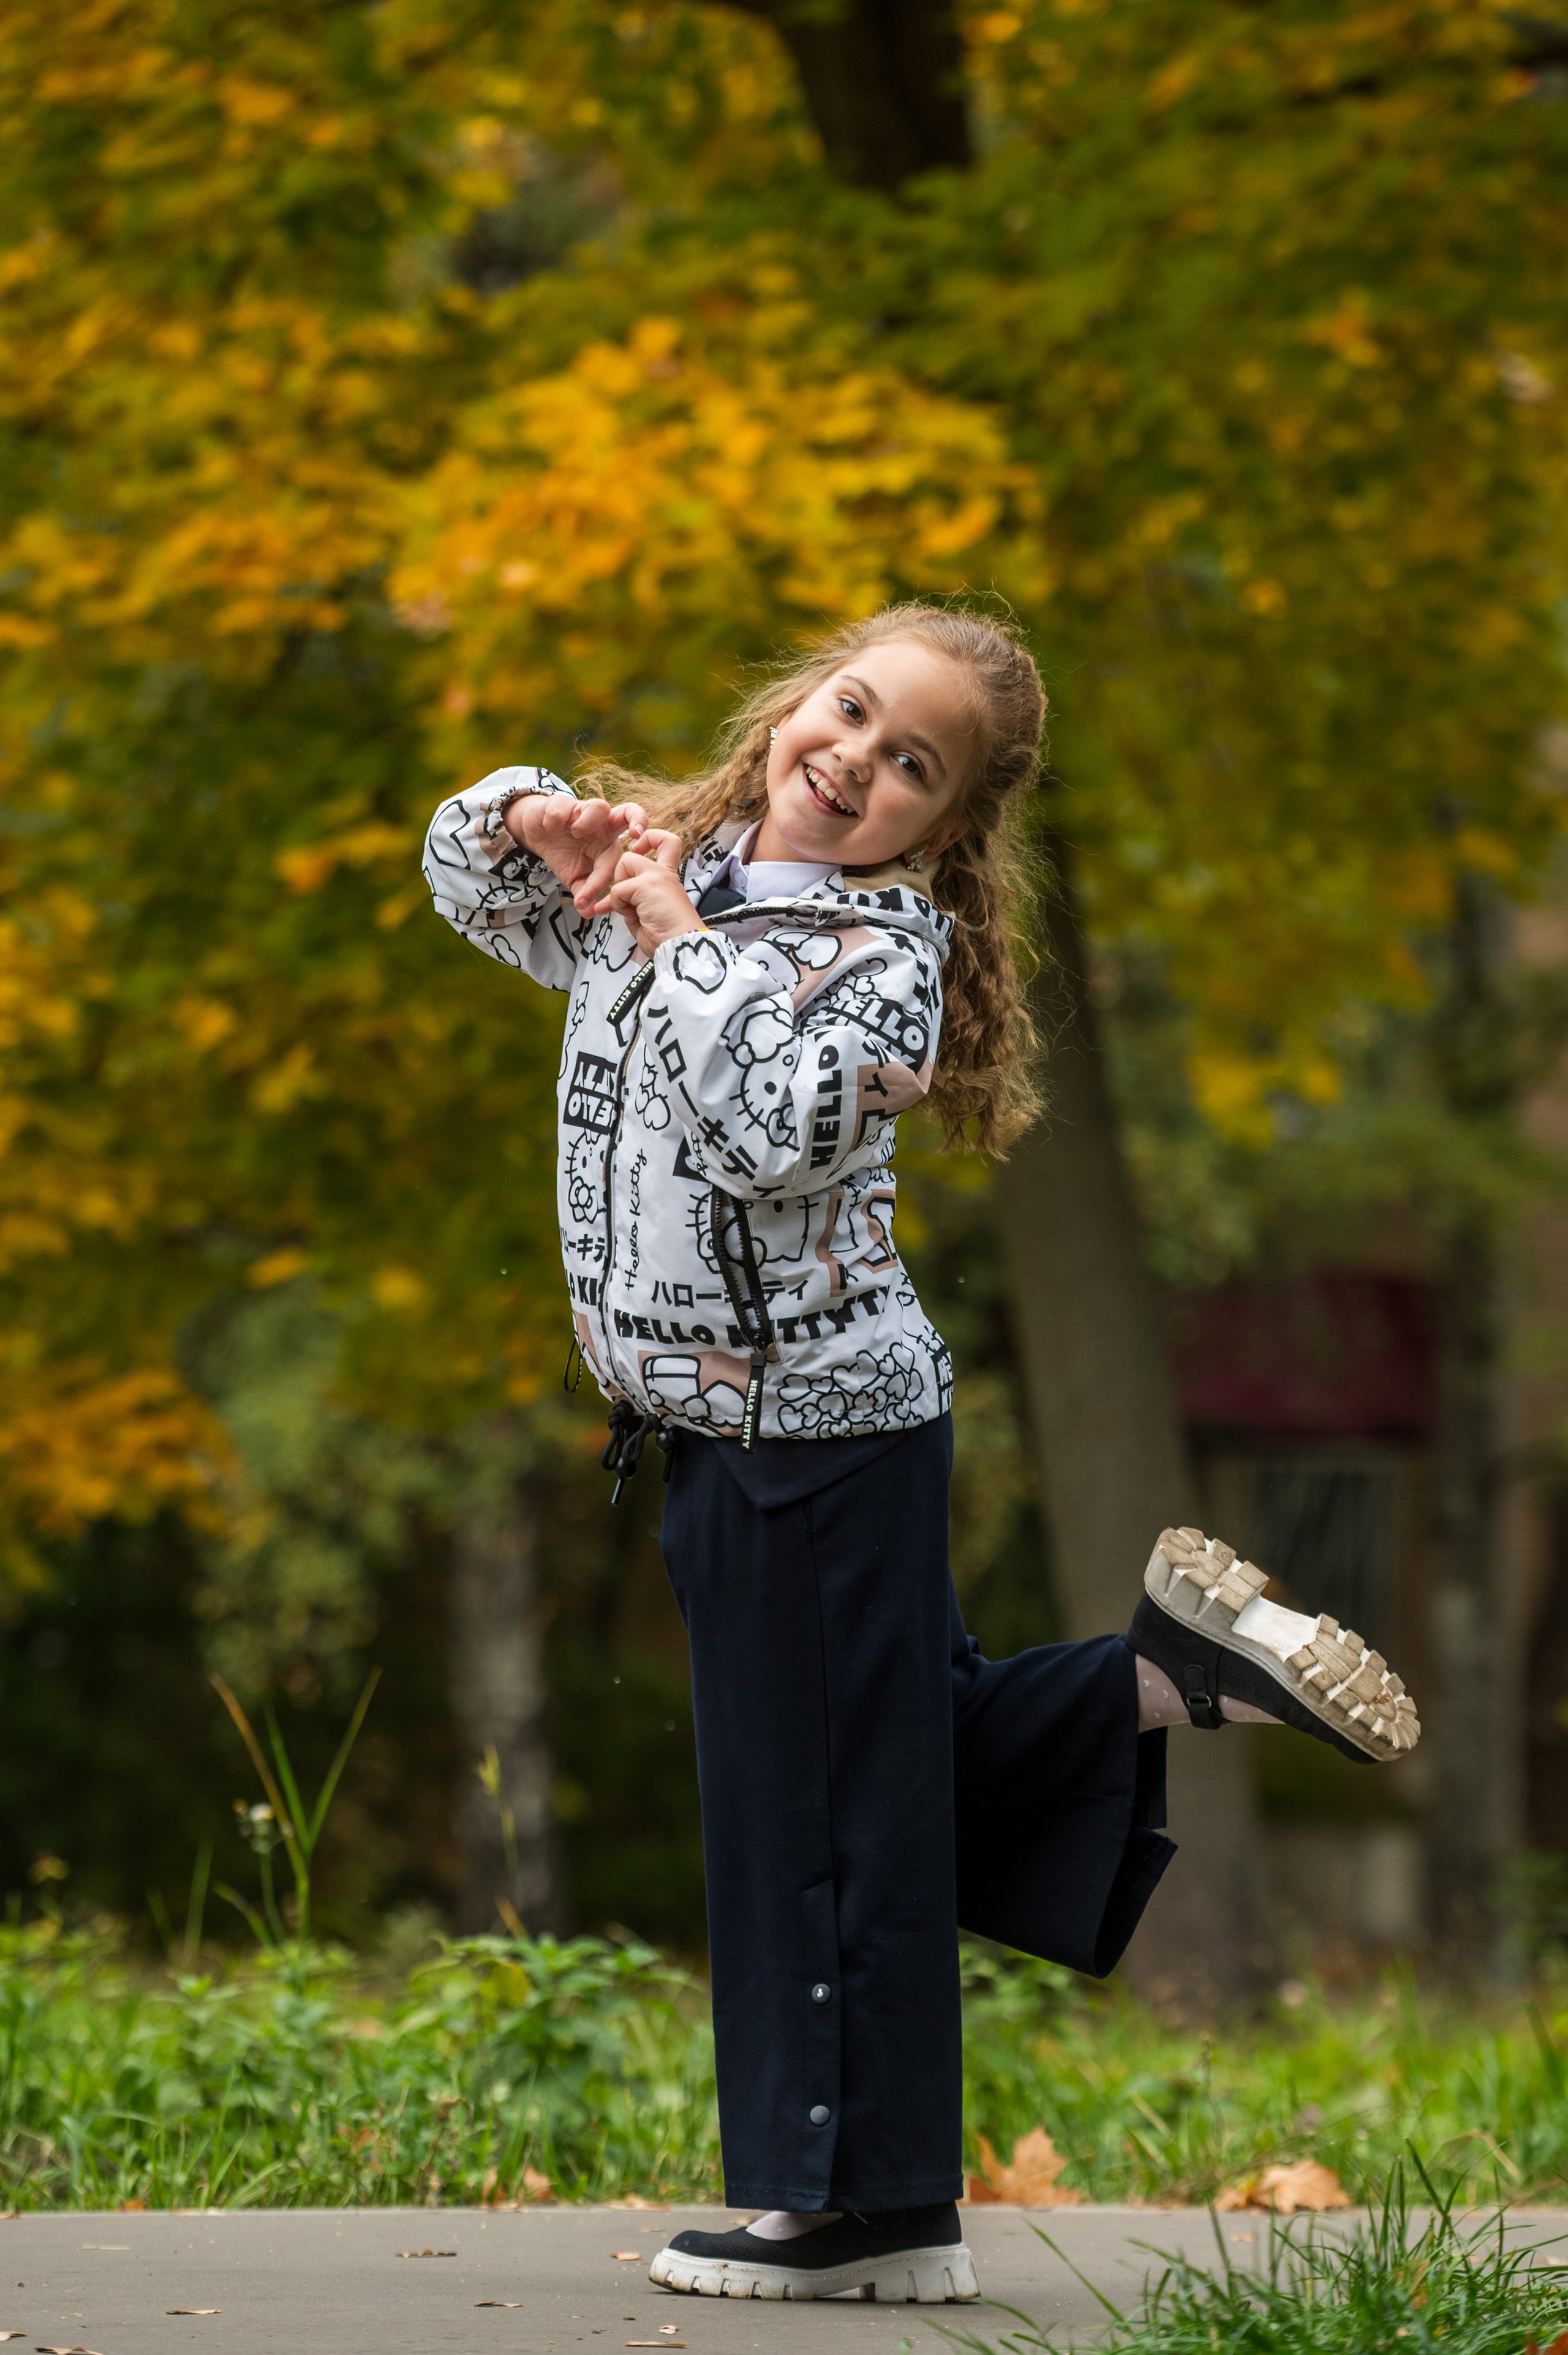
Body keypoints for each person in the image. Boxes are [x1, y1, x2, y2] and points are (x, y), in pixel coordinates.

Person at [421, 603, 1420, 2307]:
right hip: (728, 1431)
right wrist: (536, 819)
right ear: (803, 689)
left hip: (817, 1428)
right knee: (873, 1773)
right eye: (856, 710)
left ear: (945, 832)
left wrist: (675, 932)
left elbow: (761, 1128)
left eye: (912, 767)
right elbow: (467, 880)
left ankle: (860, 2203)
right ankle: (1165, 1677)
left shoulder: (883, 956)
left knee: (805, 1814)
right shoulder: (686, 858)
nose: (857, 762)